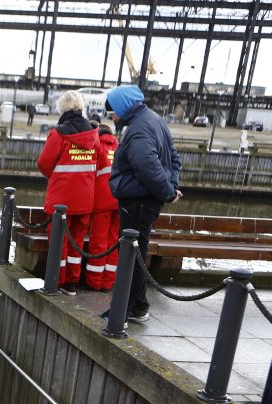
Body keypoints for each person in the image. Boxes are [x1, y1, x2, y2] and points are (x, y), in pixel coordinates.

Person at [105, 85, 182, 322]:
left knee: (131, 256)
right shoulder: (155, 121)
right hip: (145, 200)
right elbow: (173, 157)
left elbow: (148, 167)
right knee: (137, 252)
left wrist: (168, 192)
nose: (113, 117)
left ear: (124, 106)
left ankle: (122, 312)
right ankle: (139, 307)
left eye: (114, 112)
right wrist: (170, 187)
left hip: (137, 201)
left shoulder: (138, 129)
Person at [36, 90, 101, 296]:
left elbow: (44, 164)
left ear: (62, 109)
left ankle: (56, 281)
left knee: (58, 242)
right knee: (76, 242)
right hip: (85, 200)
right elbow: (97, 163)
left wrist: (57, 177)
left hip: (61, 200)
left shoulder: (59, 133)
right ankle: (71, 284)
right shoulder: (94, 134)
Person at [85, 120, 120, 292]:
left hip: (102, 202)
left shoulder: (97, 147)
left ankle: (95, 282)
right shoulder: (119, 146)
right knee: (113, 243)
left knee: (98, 242)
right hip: (119, 201)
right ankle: (108, 283)